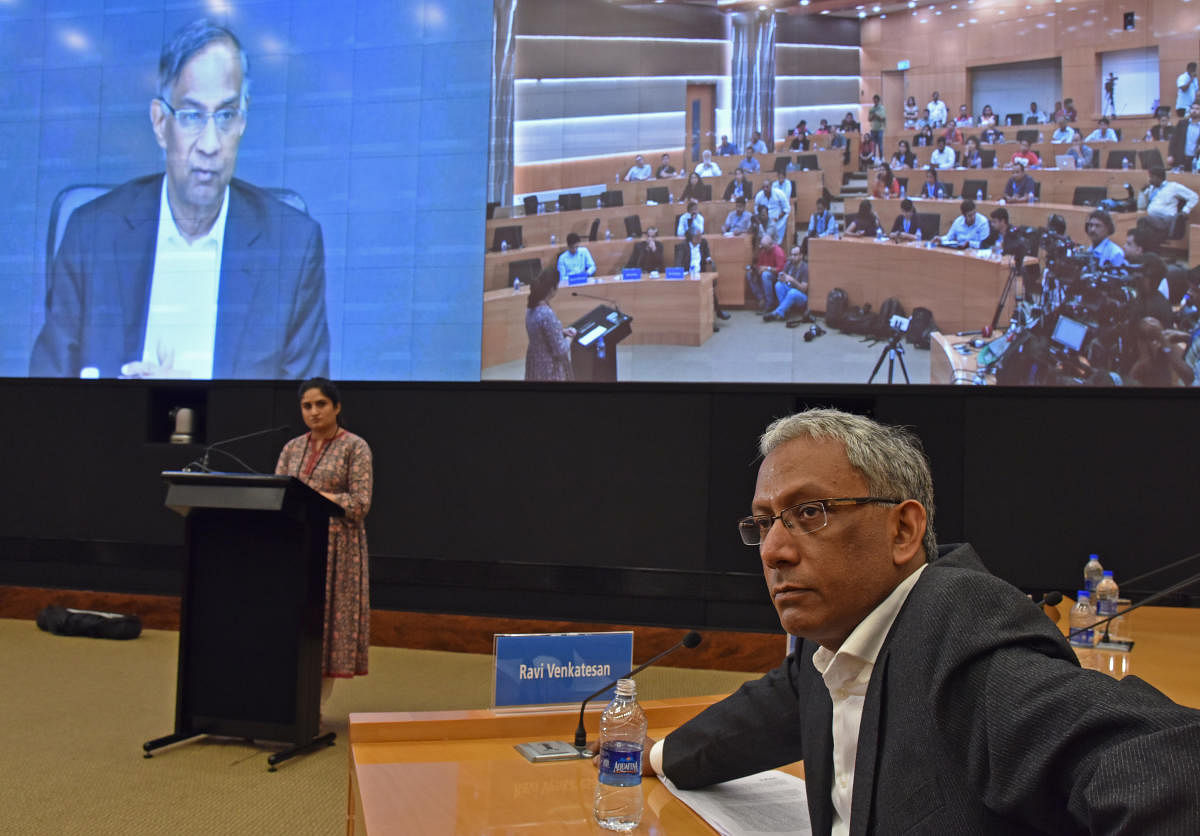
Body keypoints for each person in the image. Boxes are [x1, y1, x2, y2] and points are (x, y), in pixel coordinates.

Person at [639, 408, 1200, 833]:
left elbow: (1167, 766)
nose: (773, 550)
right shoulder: (836, 644)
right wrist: (652, 756)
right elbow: (760, 719)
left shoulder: (966, 643)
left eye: (809, 513)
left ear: (903, 531)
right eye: (764, 523)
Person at [30, 19, 329, 380]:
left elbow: (307, 419)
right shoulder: (91, 235)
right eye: (191, 116)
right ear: (160, 123)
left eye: (225, 115)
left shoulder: (293, 248)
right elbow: (45, 401)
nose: (209, 143)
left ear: (243, 121)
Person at [275, 377, 372, 705]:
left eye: (321, 404)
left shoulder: (355, 447)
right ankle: (288, 700)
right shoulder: (292, 448)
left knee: (327, 626)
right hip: (296, 547)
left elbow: (360, 504)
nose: (314, 412)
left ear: (337, 407)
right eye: (307, 406)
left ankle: (311, 707)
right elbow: (278, 496)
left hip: (338, 551)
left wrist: (313, 496)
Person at [521, 269, 575, 381]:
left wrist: (561, 331)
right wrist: (570, 337)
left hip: (535, 364)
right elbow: (561, 350)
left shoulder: (531, 308)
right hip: (549, 369)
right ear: (552, 289)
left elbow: (541, 334)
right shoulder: (546, 314)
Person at [1136, 165, 1199, 245]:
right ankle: (1148, 248)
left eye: (1151, 177)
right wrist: (1142, 192)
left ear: (1158, 177)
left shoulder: (1173, 187)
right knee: (1145, 228)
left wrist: (1185, 211)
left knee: (1143, 221)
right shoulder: (1152, 188)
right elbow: (1141, 206)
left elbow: (1194, 196)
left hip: (1167, 220)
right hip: (1154, 219)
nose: (1149, 180)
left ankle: (1142, 248)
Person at [1129, 316, 1195, 386]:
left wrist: (1165, 342)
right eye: (1151, 339)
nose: (1155, 344)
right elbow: (1135, 376)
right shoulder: (1144, 359)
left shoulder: (1175, 349)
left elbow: (1189, 376)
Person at [763, 245, 809, 323]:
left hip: (801, 297)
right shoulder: (789, 263)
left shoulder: (805, 267)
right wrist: (781, 277)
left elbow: (804, 289)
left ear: (801, 256)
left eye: (795, 255)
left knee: (792, 292)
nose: (792, 257)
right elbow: (783, 275)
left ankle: (776, 312)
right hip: (789, 289)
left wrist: (793, 280)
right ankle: (783, 312)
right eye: (791, 255)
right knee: (778, 285)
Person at [746, 234, 785, 312]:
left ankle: (769, 303)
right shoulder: (763, 251)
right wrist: (756, 269)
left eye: (765, 247)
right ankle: (761, 298)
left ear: (771, 245)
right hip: (765, 273)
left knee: (765, 275)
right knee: (749, 274)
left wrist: (767, 268)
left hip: (776, 275)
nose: (763, 249)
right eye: (763, 247)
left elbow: (781, 269)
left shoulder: (778, 252)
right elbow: (759, 265)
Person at [1167, 102, 1200, 170]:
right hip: (1182, 158)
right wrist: (1171, 155)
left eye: (1197, 109)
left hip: (1195, 160)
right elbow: (1173, 140)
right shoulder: (1182, 123)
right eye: (1192, 108)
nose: (1194, 110)